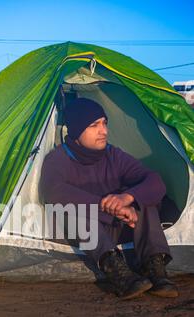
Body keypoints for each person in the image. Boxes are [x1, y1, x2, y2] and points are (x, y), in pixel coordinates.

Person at [39, 98, 178, 300]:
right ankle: (119, 274)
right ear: (76, 130)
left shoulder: (114, 155)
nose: (103, 131)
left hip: (122, 227)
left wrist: (127, 198)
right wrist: (111, 208)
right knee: (71, 211)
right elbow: (53, 191)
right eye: (94, 125)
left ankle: (154, 269)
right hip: (91, 235)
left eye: (104, 123)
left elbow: (155, 182)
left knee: (143, 200)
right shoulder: (58, 159)